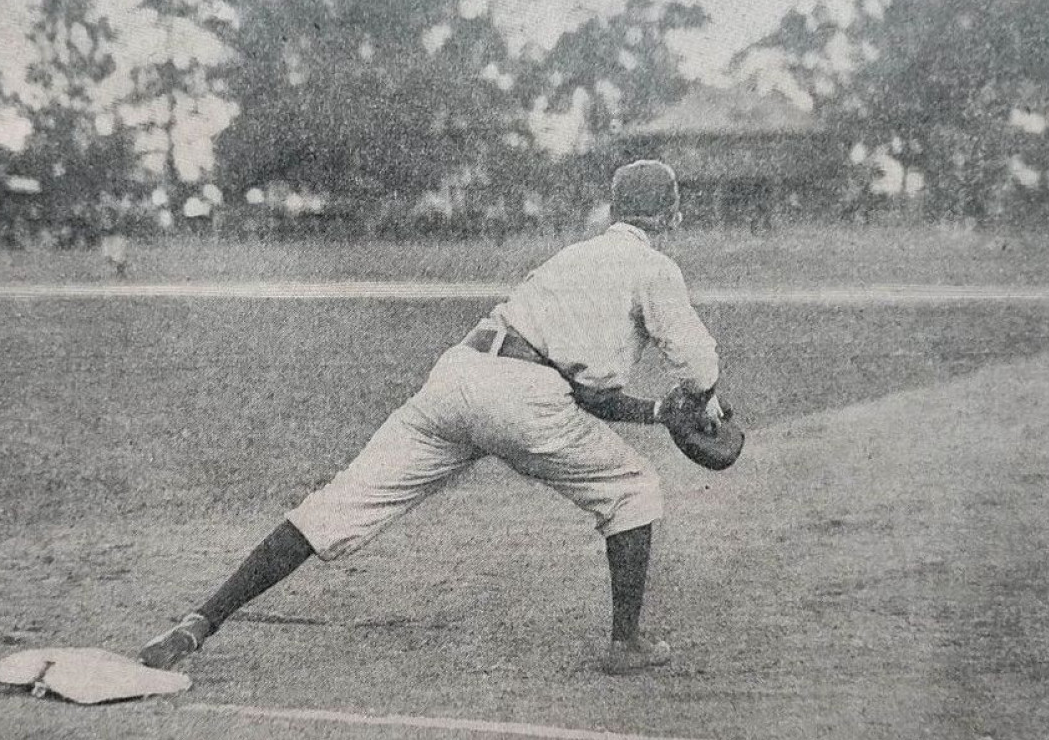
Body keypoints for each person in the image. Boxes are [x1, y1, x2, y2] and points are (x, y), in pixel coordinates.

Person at [138, 159, 726, 676]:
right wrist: (701, 405)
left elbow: (571, 381)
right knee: (632, 488)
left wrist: (655, 413)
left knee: (338, 506)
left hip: (459, 376)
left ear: (616, 208)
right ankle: (627, 644)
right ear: (671, 213)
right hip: (526, 401)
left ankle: (199, 621)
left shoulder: (571, 257)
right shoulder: (655, 269)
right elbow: (697, 364)